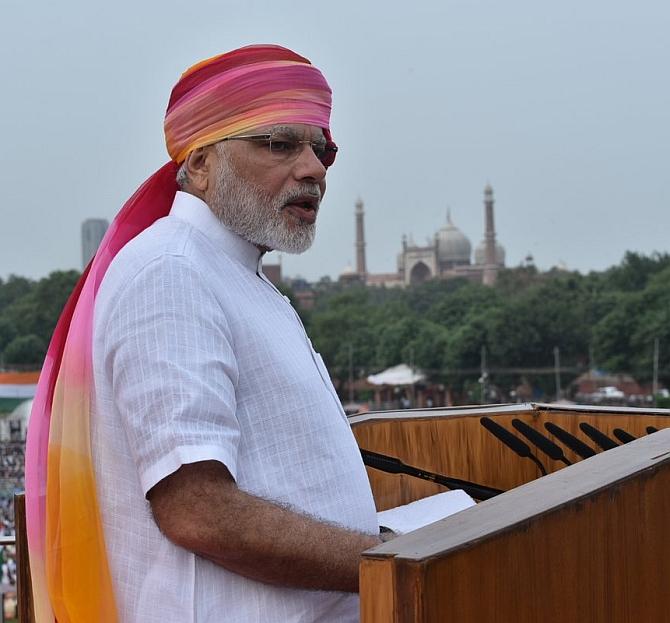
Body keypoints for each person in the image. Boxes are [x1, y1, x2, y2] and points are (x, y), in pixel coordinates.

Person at [26, 45, 380, 623]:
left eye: (322, 148)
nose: (314, 168)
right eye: (279, 144)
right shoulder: (172, 273)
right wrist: (391, 560)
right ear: (199, 164)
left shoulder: (236, 277)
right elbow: (198, 509)